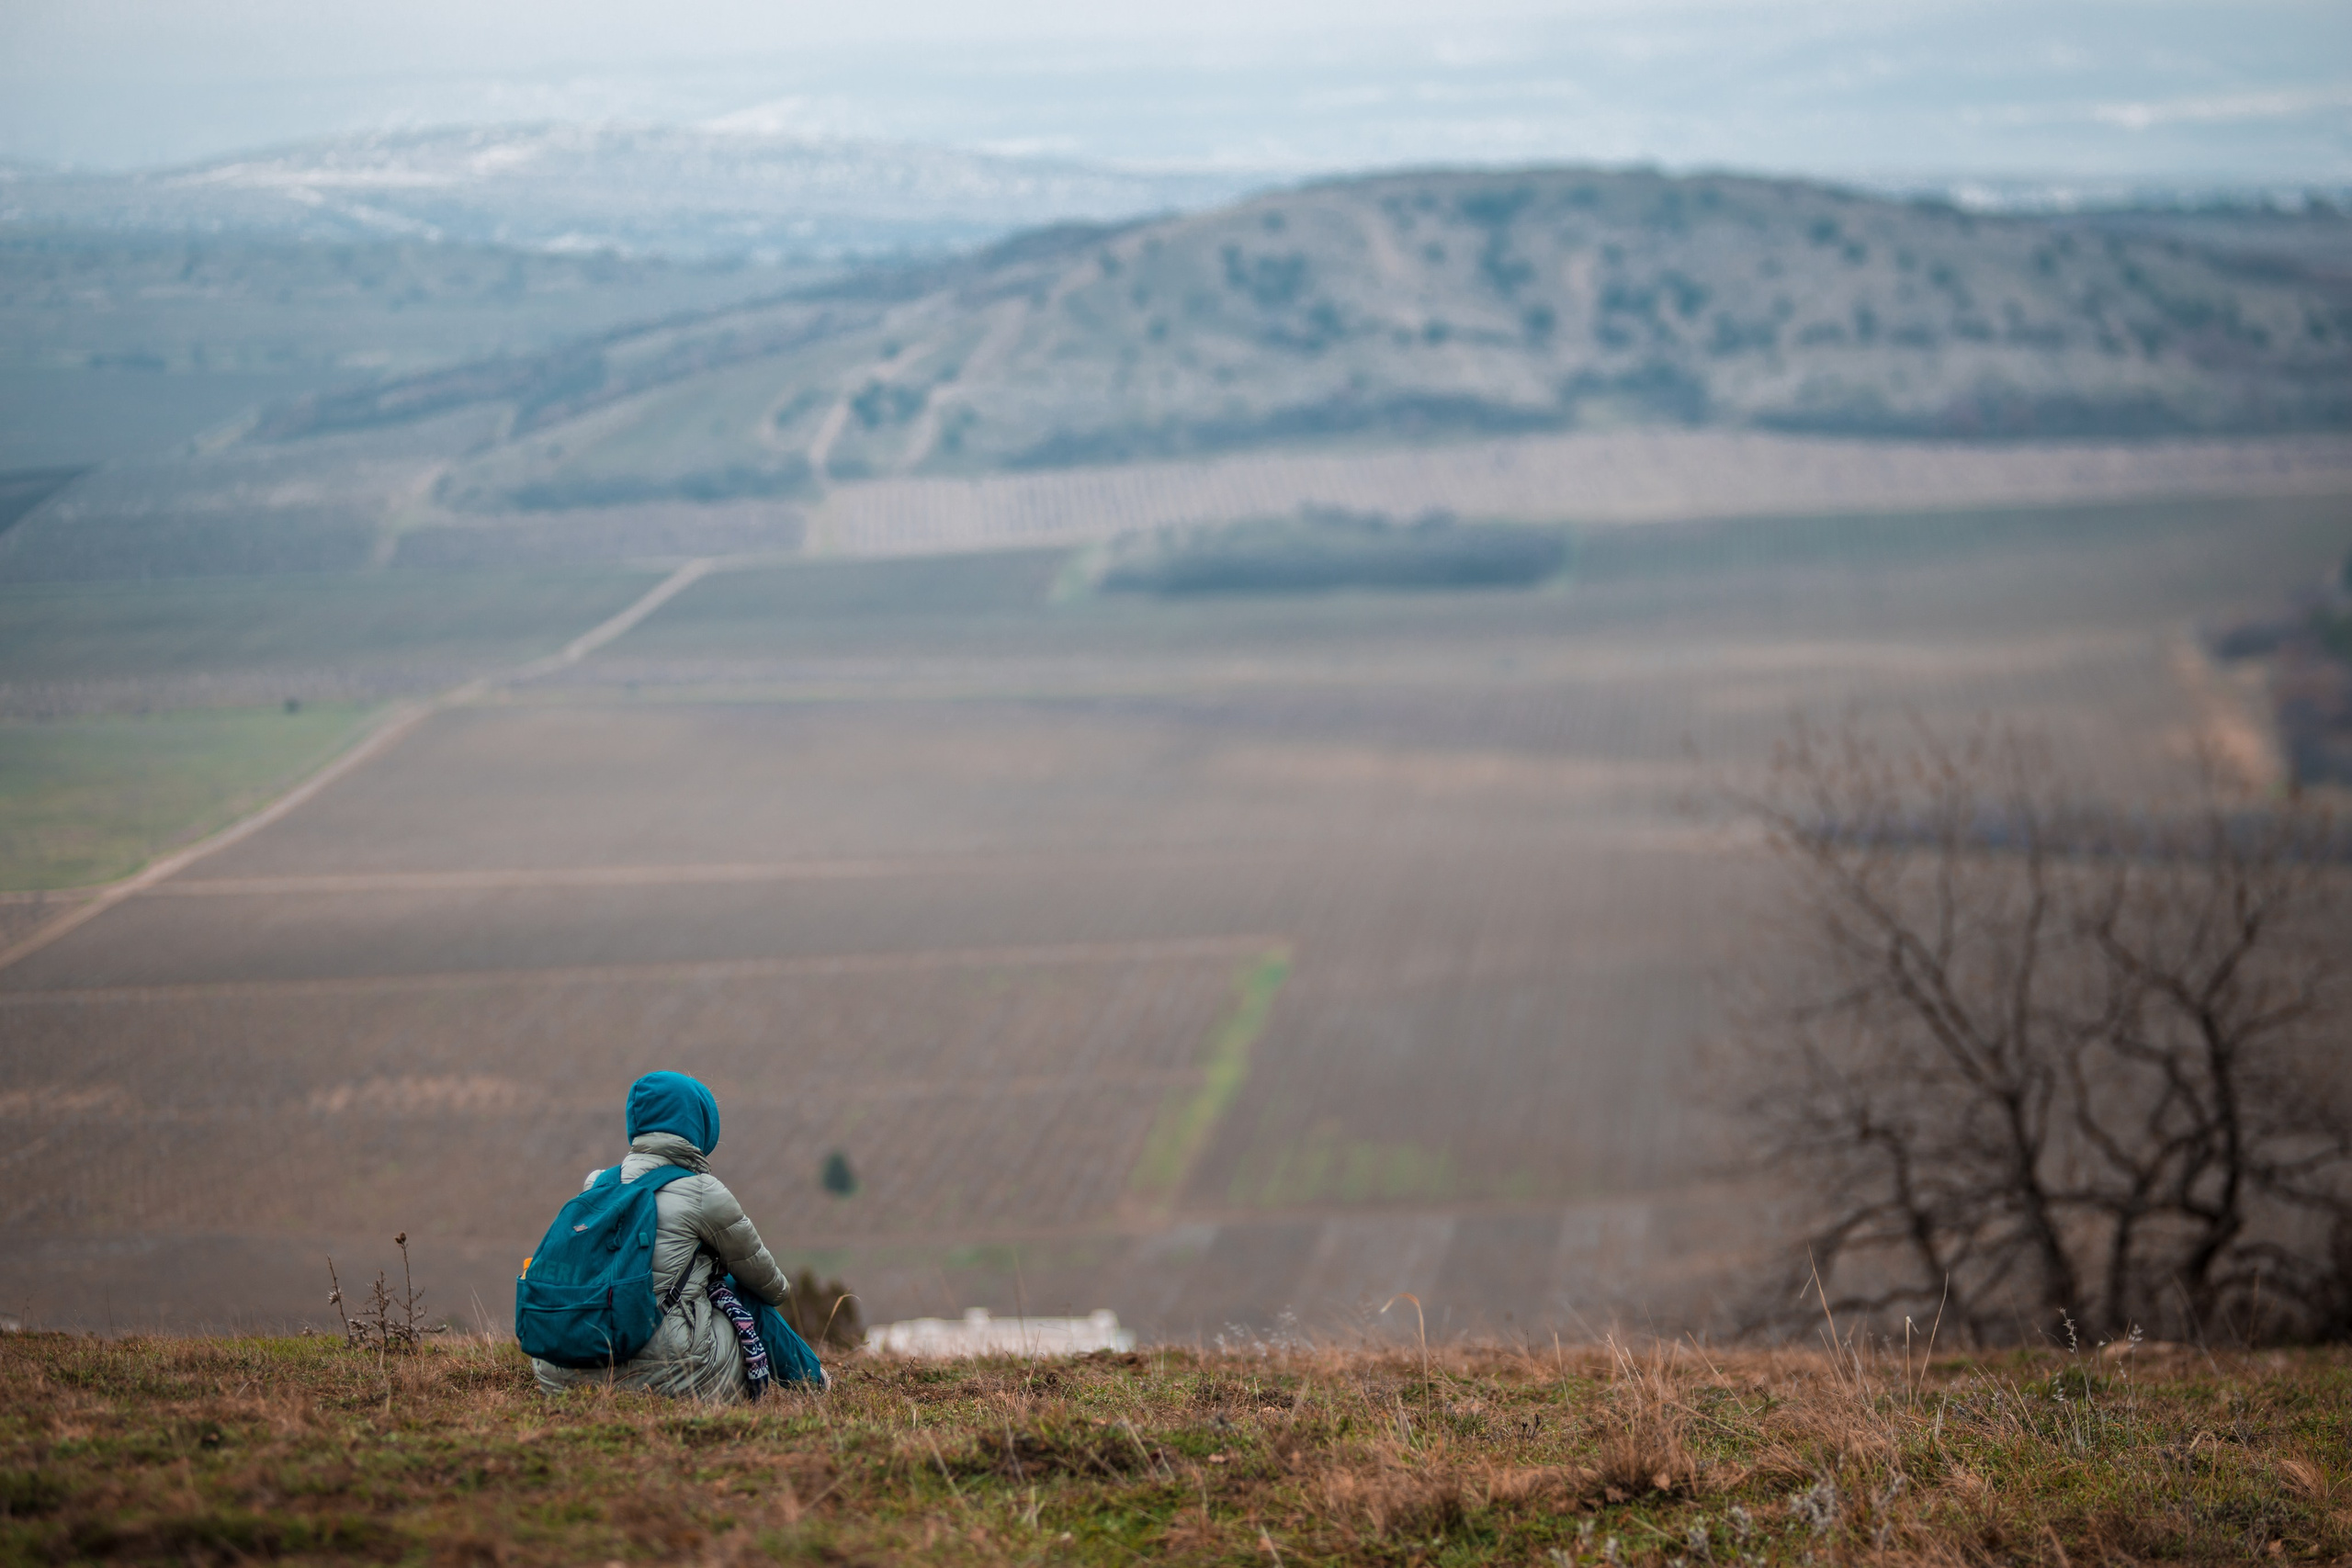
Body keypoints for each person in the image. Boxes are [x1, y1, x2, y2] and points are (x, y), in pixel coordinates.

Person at [531, 1071, 795, 1403]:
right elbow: (770, 1286)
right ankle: (815, 1384)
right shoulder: (703, 1192)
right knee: (743, 1296)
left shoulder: (598, 1184)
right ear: (701, 1126)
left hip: (563, 1370)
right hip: (668, 1374)